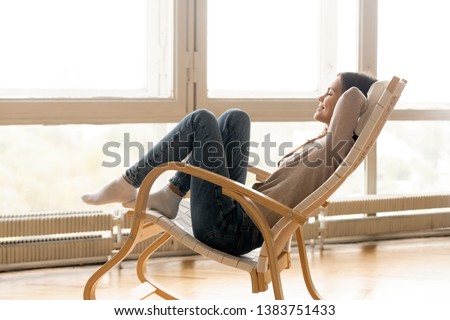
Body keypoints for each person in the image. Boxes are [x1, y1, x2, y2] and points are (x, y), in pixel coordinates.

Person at [82, 72, 377, 256]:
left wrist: (364, 92)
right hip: (239, 212)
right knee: (236, 117)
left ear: (346, 107)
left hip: (231, 230)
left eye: (330, 92)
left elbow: (353, 96)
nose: (321, 96)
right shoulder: (327, 143)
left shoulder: (338, 146)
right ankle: (172, 193)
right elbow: (350, 98)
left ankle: (128, 183)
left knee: (201, 120)